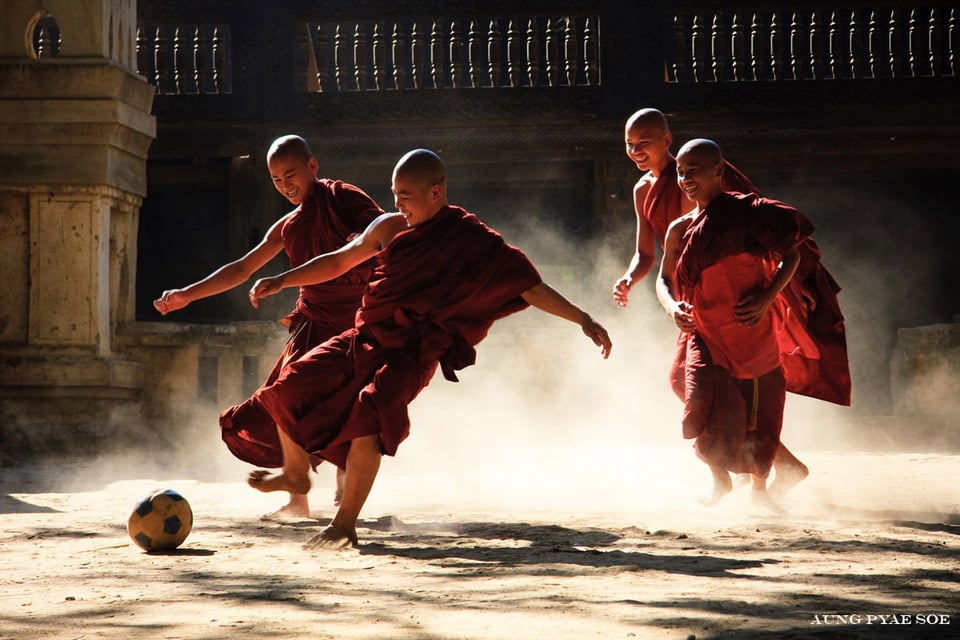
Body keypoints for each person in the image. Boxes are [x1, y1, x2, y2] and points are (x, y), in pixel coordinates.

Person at [244, 148, 612, 549]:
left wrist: (583, 319)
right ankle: (299, 476)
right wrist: (283, 280)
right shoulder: (388, 228)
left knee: (371, 413)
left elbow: (529, 286)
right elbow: (340, 260)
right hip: (364, 339)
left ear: (436, 193)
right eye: (394, 193)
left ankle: (343, 524)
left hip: (411, 353)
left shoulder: (471, 239)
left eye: (405, 194)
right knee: (289, 385)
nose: (397, 203)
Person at [614, 108, 849, 497]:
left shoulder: (711, 177)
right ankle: (742, 465)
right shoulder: (645, 192)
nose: (636, 150)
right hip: (696, 306)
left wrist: (789, 285)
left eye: (645, 142)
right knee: (688, 384)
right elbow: (652, 256)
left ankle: (757, 465)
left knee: (739, 388)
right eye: (629, 144)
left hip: (736, 302)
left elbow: (763, 233)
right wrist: (630, 279)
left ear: (667, 142)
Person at [154, 135, 384, 519]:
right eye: (276, 180)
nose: (285, 186)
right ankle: (298, 501)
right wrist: (187, 295)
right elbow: (242, 268)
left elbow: (375, 238)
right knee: (283, 399)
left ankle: (346, 490)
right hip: (313, 322)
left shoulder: (344, 199)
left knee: (349, 405)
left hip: (355, 319)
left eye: (291, 175)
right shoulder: (288, 226)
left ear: (313, 166)